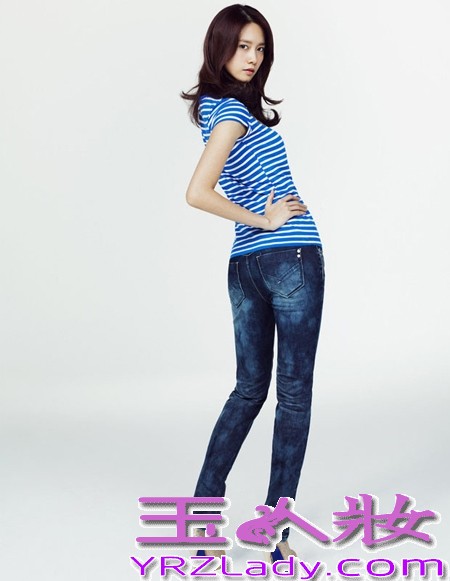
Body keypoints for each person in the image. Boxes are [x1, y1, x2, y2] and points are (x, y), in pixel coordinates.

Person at [182, 3, 325, 563]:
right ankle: (276, 531)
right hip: (290, 255)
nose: (252, 57)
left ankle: (201, 518)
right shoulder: (231, 115)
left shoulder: (220, 109)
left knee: (249, 389)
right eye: (242, 46)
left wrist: (256, 225)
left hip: (245, 267)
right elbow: (197, 192)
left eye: (260, 48)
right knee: (293, 396)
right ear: (219, 47)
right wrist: (266, 220)